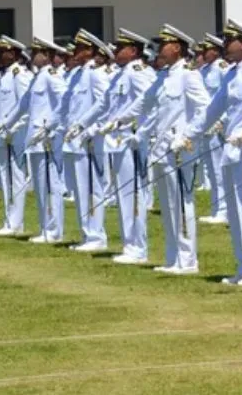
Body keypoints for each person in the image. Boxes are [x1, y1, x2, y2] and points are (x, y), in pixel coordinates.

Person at [178, 19, 242, 286]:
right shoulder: (233, 74)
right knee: (236, 213)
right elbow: (212, 109)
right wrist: (189, 134)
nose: (225, 45)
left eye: (230, 40)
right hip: (232, 151)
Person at [140, 25, 212, 275]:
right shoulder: (164, 76)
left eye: (164, 45)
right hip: (161, 148)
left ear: (177, 48)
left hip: (180, 149)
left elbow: (205, 108)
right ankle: (173, 257)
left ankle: (187, 259)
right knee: (168, 203)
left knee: (181, 202)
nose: (159, 50)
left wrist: (187, 136)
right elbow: (145, 106)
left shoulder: (188, 75)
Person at [88, 29, 156, 264]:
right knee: (124, 194)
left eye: (121, 48)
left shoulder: (138, 73)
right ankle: (130, 244)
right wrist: (83, 124)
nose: (115, 52)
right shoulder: (120, 75)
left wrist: (135, 126)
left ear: (134, 51)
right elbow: (103, 104)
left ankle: (138, 247)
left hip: (131, 140)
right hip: (116, 141)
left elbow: (150, 101)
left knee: (134, 193)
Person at [59, 29, 111, 252]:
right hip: (74, 141)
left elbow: (105, 105)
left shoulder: (95, 74)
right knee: (79, 190)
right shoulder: (78, 75)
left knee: (91, 189)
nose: (75, 53)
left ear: (90, 51)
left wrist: (93, 129)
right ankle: (86, 233)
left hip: (88, 142)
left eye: (80, 49)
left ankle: (96, 236)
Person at [0, 36, 33, 237]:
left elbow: (26, 106)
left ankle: (15, 222)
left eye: (4, 53)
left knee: (15, 178)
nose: (0, 56)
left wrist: (14, 129)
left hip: (14, 136)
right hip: (1, 134)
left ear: (13, 54)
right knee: (4, 178)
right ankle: (9, 220)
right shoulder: (4, 76)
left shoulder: (19, 75)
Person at [24, 38, 68, 244]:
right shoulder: (37, 77)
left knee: (51, 184)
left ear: (47, 55)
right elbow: (24, 106)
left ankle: (54, 230)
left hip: (47, 137)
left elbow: (63, 102)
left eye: (36, 52)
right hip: (35, 137)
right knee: (41, 185)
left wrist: (49, 126)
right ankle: (45, 227)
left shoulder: (52, 76)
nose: (32, 56)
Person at [195, 34, 230, 225]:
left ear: (215, 51)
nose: (202, 54)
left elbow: (228, 98)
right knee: (210, 167)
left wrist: (221, 121)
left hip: (218, 126)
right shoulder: (204, 70)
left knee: (218, 169)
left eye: (206, 50)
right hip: (206, 124)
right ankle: (217, 207)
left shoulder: (223, 68)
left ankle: (223, 209)